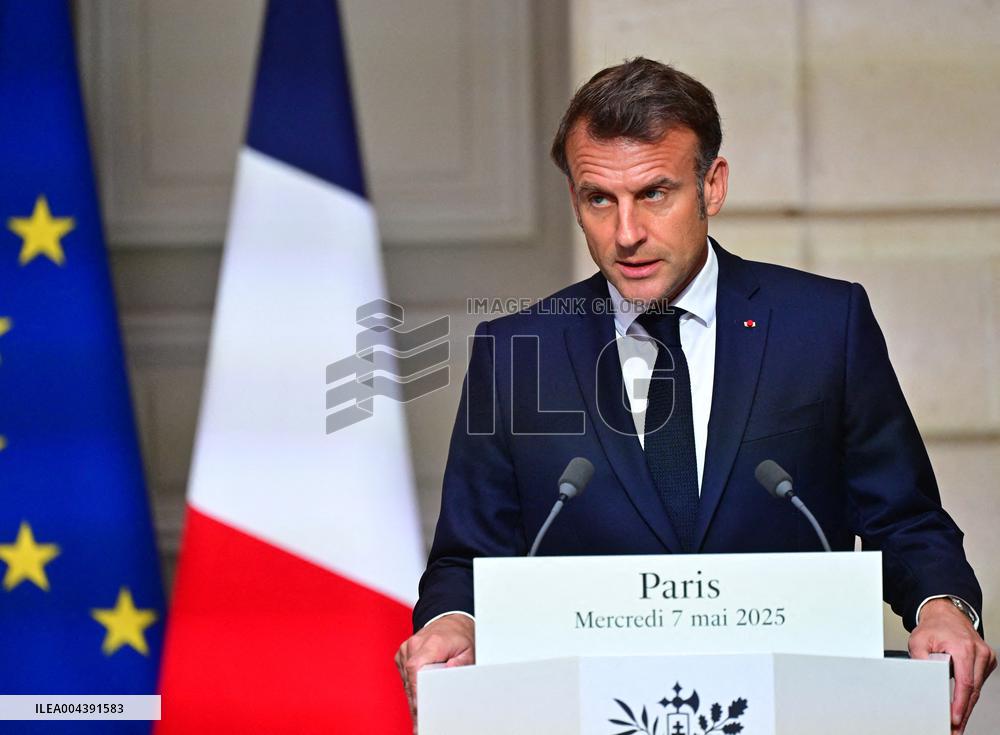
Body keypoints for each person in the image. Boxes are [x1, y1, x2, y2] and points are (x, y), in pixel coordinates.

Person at [395, 57, 995, 733]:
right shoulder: (516, 352)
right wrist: (451, 621)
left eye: (654, 193)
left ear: (713, 186)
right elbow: (466, 561)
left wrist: (942, 605)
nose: (626, 233)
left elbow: (906, 521)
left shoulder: (824, 326)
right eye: (600, 198)